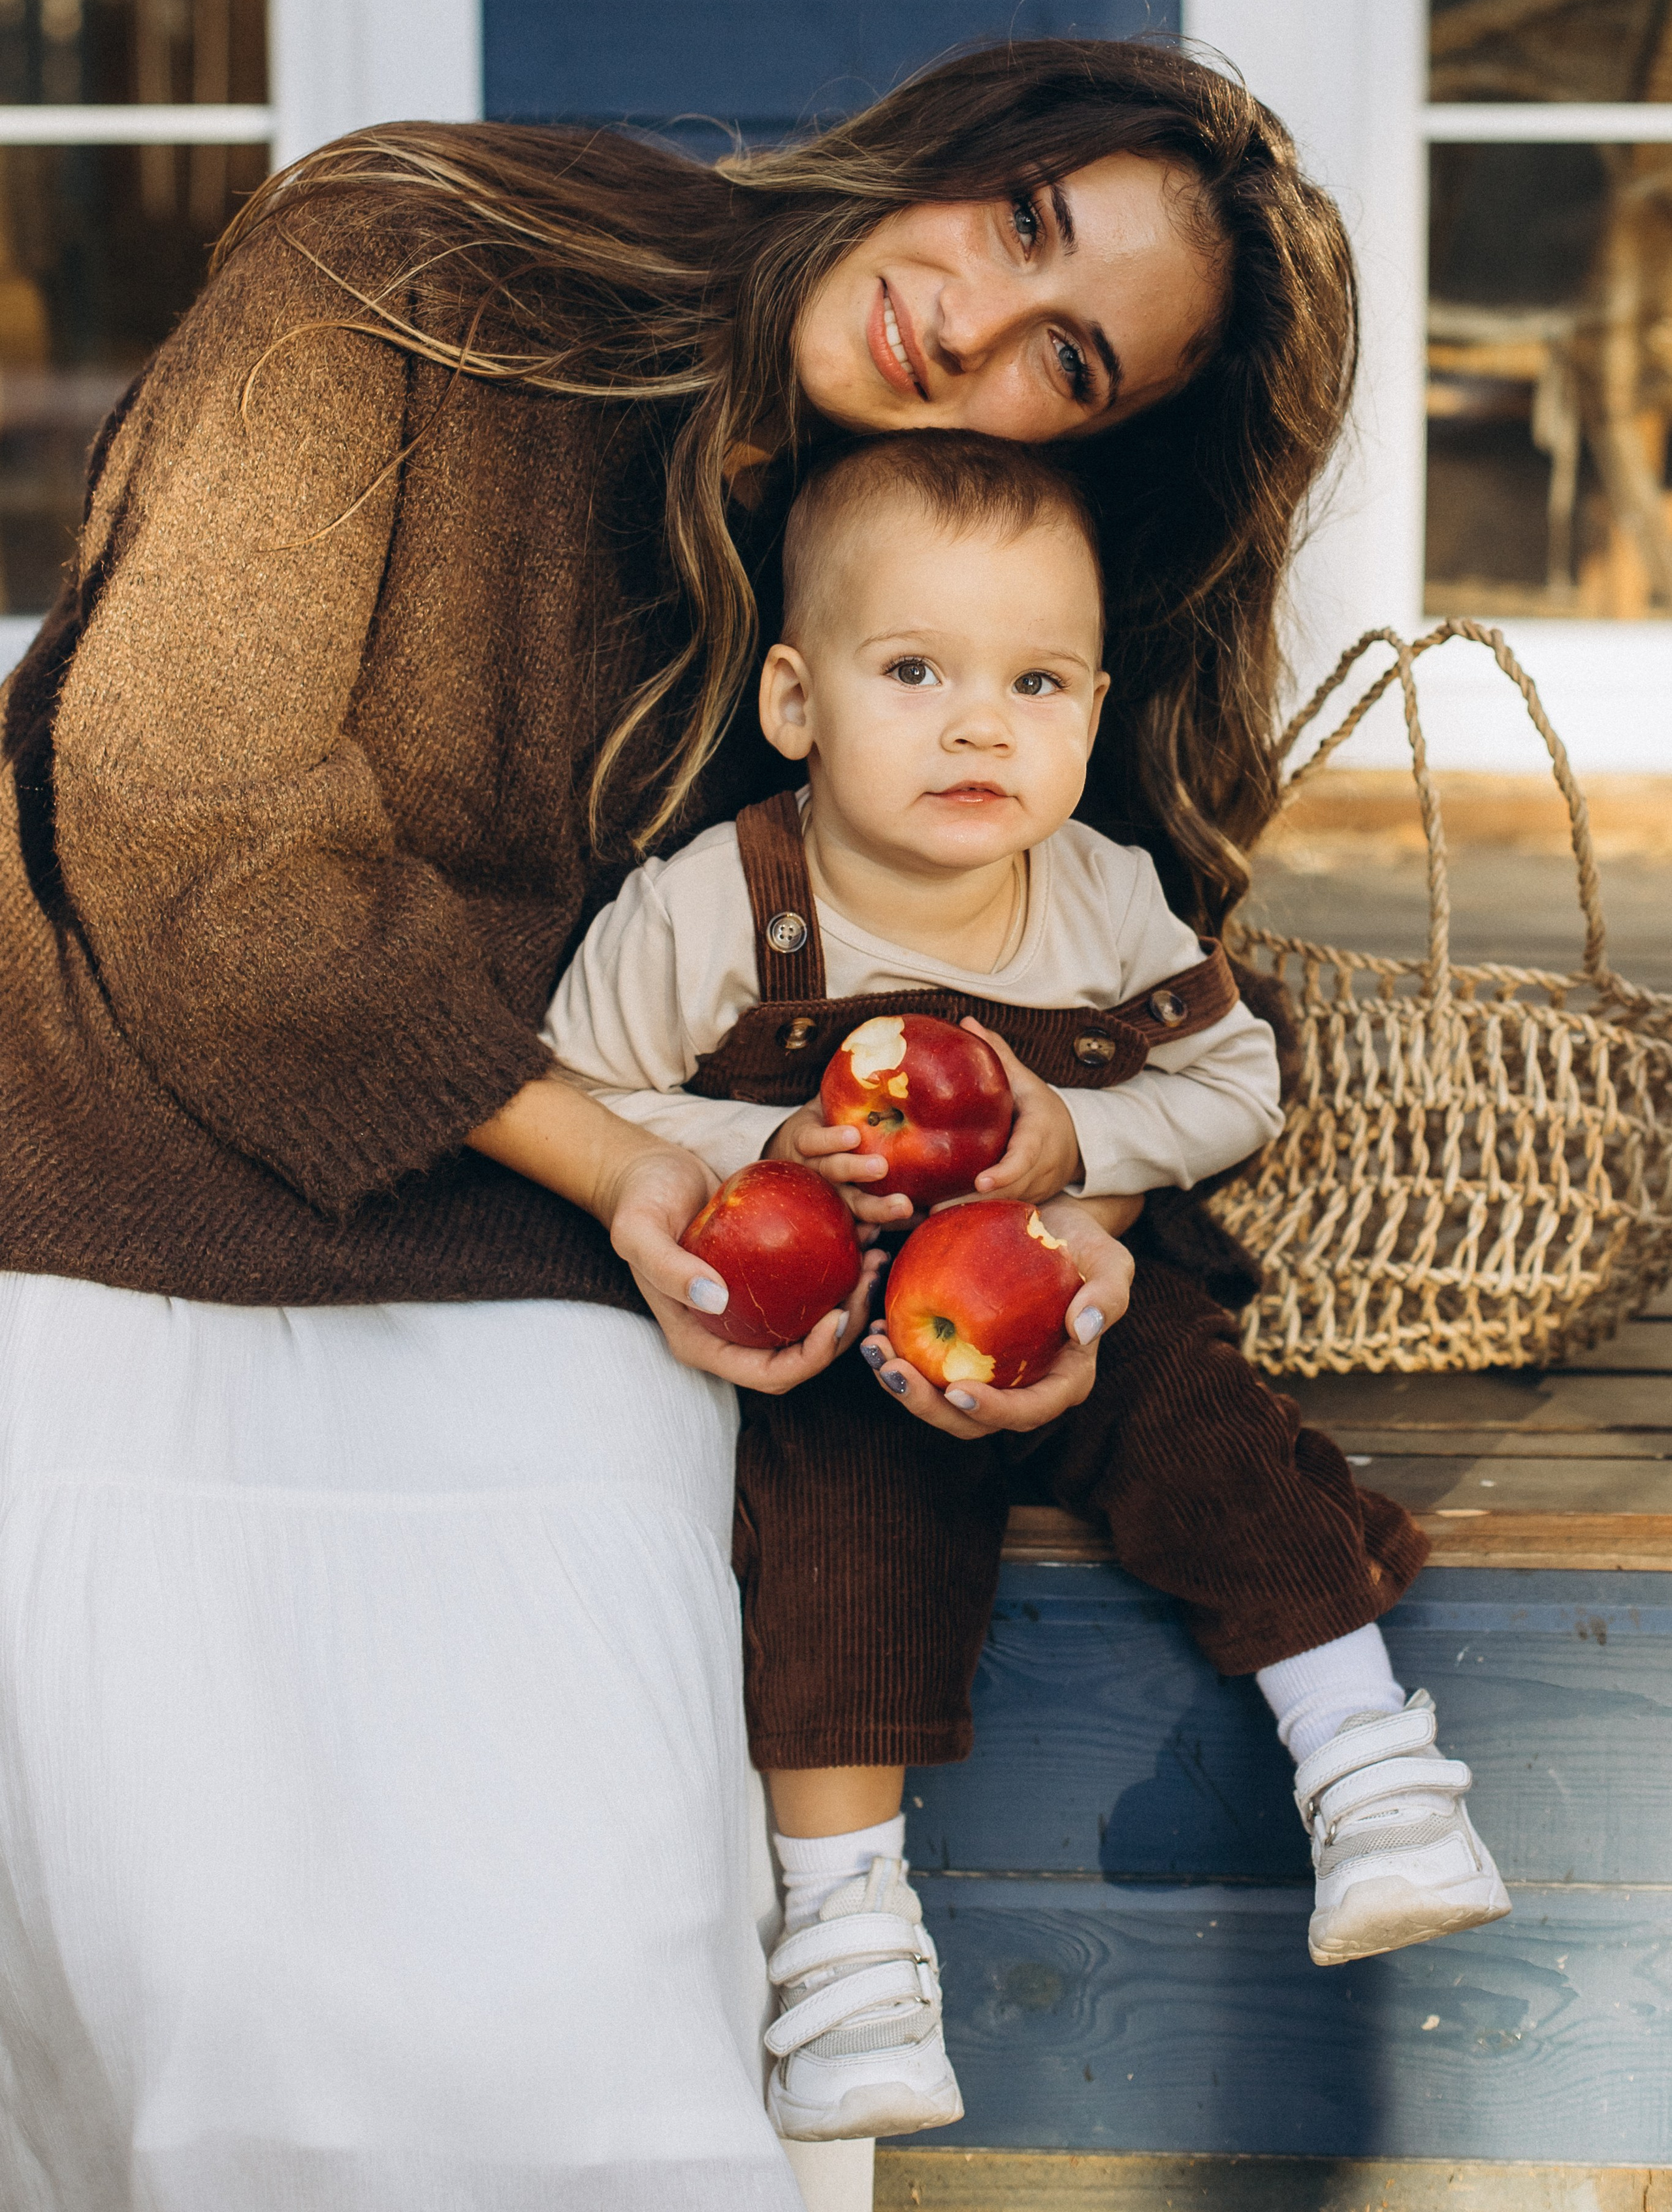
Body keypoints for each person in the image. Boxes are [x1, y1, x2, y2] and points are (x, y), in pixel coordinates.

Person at [0, 35, 1372, 2208]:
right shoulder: (417, 265)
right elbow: (192, 828)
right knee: (224, 1974)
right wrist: (636, 1169)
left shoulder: (924, 591)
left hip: (600, 1290)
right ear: (956, 145)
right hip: (124, 1180)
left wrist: (1093, 1205)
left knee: (577, 1997)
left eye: (1071, 363)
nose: (977, 326)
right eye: (1020, 228)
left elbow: (1077, 1005)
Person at [539, 430, 1511, 2144]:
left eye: (1037, 681)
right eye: (914, 670)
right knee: (833, 1519)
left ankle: (1371, 1763)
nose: (981, 722)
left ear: (1093, 706)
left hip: (1069, 1281)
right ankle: (846, 1936)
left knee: (1210, 1422)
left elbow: (1236, 1087)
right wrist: (767, 1135)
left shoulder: (1102, 898)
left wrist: (1075, 1138)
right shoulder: (715, 907)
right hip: (843, 1329)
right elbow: (588, 1091)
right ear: (795, 700)